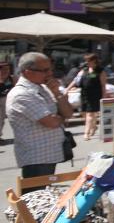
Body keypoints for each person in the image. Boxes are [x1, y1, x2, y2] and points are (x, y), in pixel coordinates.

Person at [6, 52, 74, 181]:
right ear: (27, 72)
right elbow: (51, 122)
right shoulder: (21, 94)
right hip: (36, 159)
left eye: (50, 69)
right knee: (35, 197)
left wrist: (57, 93)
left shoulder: (44, 88)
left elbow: (68, 113)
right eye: (45, 70)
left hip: (49, 155)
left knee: (44, 195)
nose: (50, 74)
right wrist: (61, 118)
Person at [66, 54, 107, 140]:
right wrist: (67, 89)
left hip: (95, 95)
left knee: (90, 114)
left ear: (94, 61)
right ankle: (94, 126)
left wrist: (103, 96)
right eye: (86, 60)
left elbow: (103, 85)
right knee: (84, 113)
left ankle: (86, 133)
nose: (86, 62)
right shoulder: (83, 70)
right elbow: (75, 81)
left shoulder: (100, 71)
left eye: (88, 60)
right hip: (84, 95)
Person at [0, 61, 13, 142]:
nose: (6, 71)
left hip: (6, 100)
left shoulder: (11, 78)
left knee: (1, 120)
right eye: (4, 69)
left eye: (7, 69)